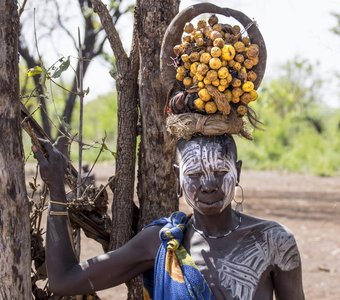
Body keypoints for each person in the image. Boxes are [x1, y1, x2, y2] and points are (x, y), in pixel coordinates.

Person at [33, 133, 305, 300]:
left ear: (238, 172)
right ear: (177, 178)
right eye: (195, 175)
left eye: (221, 173)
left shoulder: (274, 242)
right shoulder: (163, 242)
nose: (208, 184)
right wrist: (56, 189)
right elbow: (64, 280)